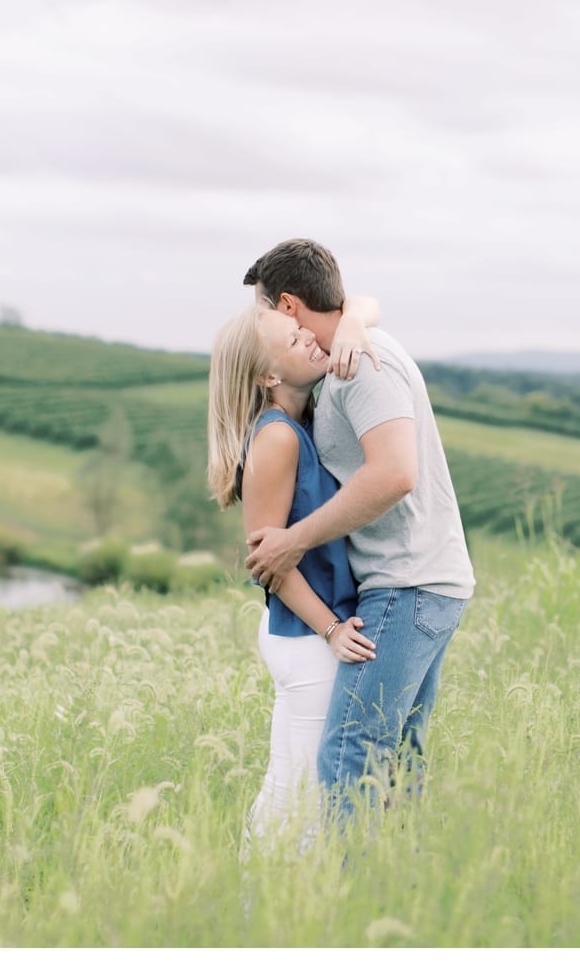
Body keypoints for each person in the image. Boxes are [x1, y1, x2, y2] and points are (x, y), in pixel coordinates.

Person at [242, 238, 475, 821]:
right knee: (397, 764)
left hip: (406, 582)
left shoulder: (358, 365)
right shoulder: (343, 360)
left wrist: (295, 541)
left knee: (352, 752)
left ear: (289, 305)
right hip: (419, 580)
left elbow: (395, 474)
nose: (262, 321)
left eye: (267, 310)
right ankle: (396, 897)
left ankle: (354, 901)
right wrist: (355, 319)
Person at [206, 300, 380, 847]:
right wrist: (331, 629)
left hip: (302, 634)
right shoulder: (277, 437)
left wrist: (352, 321)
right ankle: (278, 911)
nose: (308, 337)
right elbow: (269, 567)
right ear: (268, 374)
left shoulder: (294, 425)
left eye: (304, 327)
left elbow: (366, 303)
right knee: (304, 794)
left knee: (287, 786)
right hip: (307, 637)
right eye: (292, 337)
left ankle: (260, 908)